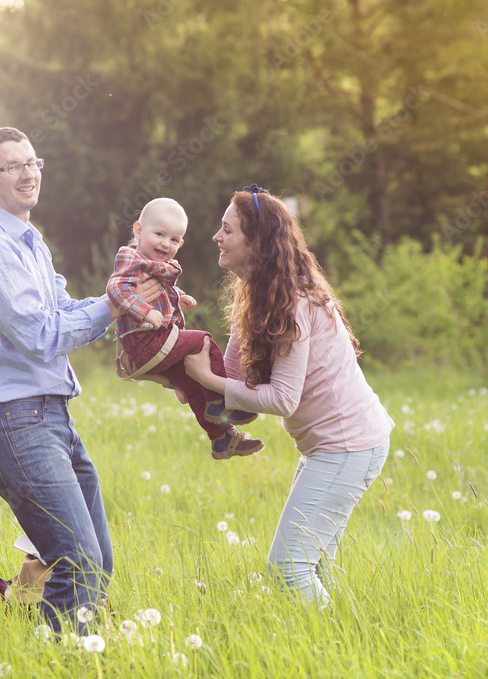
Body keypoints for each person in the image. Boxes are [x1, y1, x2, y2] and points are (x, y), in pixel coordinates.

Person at [0, 127, 160, 633]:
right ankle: (60, 657)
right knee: (78, 560)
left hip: (50, 416)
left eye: (33, 162)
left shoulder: (29, 242)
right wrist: (115, 305)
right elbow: (39, 335)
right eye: (12, 166)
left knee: (96, 560)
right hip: (12, 421)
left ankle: (59, 642)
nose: (28, 173)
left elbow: (62, 311)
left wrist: (129, 299)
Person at [181, 184, 394, 606]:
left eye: (227, 230)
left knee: (289, 568)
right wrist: (187, 379)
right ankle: (343, 638)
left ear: (256, 242)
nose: (216, 237)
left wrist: (210, 381)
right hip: (336, 447)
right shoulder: (259, 295)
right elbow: (233, 377)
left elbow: (281, 399)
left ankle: (338, 639)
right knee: (315, 567)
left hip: (348, 446)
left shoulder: (294, 302)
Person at [106, 197, 263, 460]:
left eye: (174, 239)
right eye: (159, 234)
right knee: (204, 341)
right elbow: (117, 289)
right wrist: (145, 311)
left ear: (180, 244)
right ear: (138, 231)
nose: (165, 243)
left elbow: (160, 290)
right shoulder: (130, 257)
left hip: (156, 341)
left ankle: (222, 438)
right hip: (146, 340)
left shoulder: (158, 266)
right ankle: (223, 401)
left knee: (192, 383)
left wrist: (179, 296)